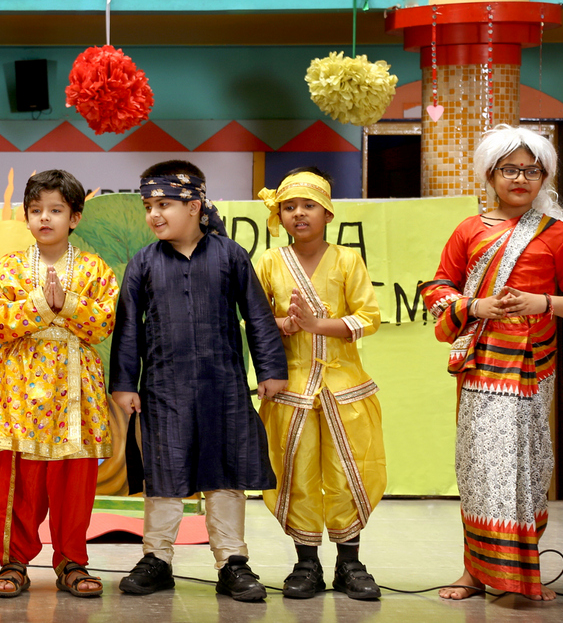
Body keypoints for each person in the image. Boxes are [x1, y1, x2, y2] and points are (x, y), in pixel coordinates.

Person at [421, 124, 563, 602]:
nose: (520, 179)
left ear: (544, 178)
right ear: (490, 176)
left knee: (526, 469)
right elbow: (437, 289)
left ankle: (521, 572)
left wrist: (540, 302)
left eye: (530, 171)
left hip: (532, 370)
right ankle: (473, 573)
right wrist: (475, 307)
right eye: (510, 170)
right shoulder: (469, 230)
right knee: (480, 468)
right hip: (481, 371)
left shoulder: (556, 236)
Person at [110, 160, 288, 603]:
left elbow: (258, 316)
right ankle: (157, 559)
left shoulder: (230, 256)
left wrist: (270, 370)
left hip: (224, 388)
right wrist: (124, 383)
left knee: (225, 472)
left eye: (164, 204)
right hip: (163, 391)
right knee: (164, 472)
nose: (154, 214)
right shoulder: (144, 263)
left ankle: (233, 562)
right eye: (149, 205)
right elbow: (127, 327)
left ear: (194, 206)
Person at [0, 170, 119, 598]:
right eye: (36, 210)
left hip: (74, 389)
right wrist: (44, 303)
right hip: (21, 387)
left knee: (73, 478)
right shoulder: (9, 268)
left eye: (56, 210)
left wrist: (69, 303)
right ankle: (13, 561)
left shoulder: (95, 268)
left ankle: (72, 560)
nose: (45, 218)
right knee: (17, 479)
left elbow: (104, 323)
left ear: (74, 217)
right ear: (26, 216)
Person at [255, 168, 385, 600]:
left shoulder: (348, 260)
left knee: (348, 473)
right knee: (298, 474)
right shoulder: (270, 262)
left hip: (344, 388)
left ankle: (350, 563)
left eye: (308, 206)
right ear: (280, 215)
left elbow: (369, 318)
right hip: (291, 391)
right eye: (289, 207)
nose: (298, 214)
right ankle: (305, 563)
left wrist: (315, 325)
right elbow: (252, 320)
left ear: (327, 213)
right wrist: (282, 324)